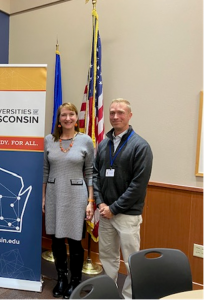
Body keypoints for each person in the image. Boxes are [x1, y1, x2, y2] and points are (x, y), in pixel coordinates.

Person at [93, 98, 153, 300]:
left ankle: (128, 297)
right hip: (105, 212)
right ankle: (109, 295)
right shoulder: (103, 145)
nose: (115, 116)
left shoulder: (140, 146)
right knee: (107, 258)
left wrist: (114, 208)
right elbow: (95, 175)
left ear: (130, 116)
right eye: (112, 113)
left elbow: (138, 185)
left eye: (120, 112)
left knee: (131, 262)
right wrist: (101, 204)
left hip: (127, 215)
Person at [42, 103, 95, 300]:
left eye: (71, 114)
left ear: (76, 117)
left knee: (74, 241)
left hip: (76, 196)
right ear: (59, 119)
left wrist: (90, 201)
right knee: (56, 240)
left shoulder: (85, 140)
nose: (67, 118)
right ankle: (61, 279)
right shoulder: (49, 140)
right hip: (54, 193)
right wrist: (44, 197)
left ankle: (75, 281)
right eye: (63, 115)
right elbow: (45, 171)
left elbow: (90, 172)